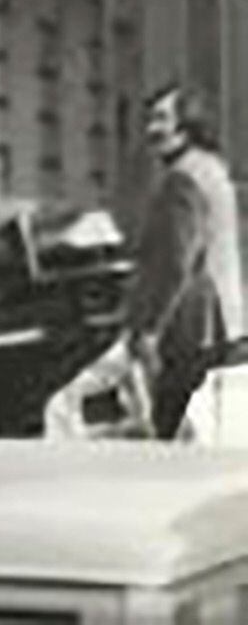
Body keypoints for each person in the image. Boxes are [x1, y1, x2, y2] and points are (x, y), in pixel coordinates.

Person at [123, 84, 245, 439]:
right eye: (149, 119)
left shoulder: (182, 181)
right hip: (222, 321)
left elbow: (173, 264)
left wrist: (149, 329)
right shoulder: (213, 169)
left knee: (167, 428)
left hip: (191, 326)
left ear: (186, 124)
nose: (151, 129)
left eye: (161, 118)